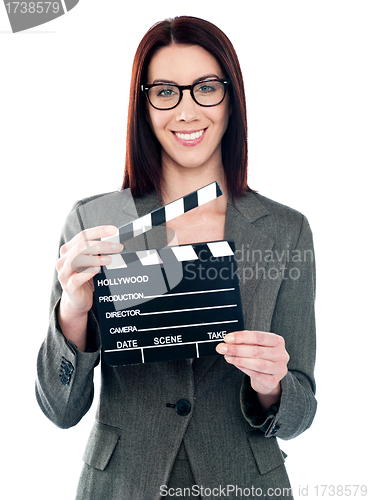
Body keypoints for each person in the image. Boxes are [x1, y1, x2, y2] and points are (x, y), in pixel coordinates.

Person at [36, 16, 317, 500]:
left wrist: (272, 387)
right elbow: (60, 410)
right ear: (143, 104)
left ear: (231, 98)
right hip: (122, 485)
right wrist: (72, 312)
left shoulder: (285, 231)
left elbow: (300, 411)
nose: (186, 111)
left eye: (206, 87)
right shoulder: (96, 222)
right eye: (165, 91)